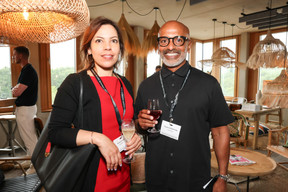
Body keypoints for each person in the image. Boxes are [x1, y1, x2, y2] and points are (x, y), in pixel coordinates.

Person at [135, 20, 234, 192]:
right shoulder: (146, 86)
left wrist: (222, 176)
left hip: (194, 178)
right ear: (159, 46)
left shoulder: (209, 84)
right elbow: (138, 125)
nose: (170, 46)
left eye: (178, 40)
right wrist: (140, 124)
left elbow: (220, 132)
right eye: (164, 40)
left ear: (189, 45)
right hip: (157, 178)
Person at [48, 17, 142, 191]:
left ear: (119, 48)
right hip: (91, 178)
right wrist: (99, 139)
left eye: (113, 41)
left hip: (123, 175)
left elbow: (129, 121)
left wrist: (135, 137)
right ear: (89, 49)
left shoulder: (125, 84)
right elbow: (55, 132)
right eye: (99, 41)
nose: (108, 47)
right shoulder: (75, 83)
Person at [12, 46, 38, 175]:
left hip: (26, 110)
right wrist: (14, 88)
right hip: (27, 109)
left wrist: (14, 89)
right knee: (28, 137)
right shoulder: (26, 70)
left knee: (30, 139)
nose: (13, 57)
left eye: (14, 54)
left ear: (21, 56)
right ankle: (30, 159)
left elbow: (17, 92)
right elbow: (16, 90)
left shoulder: (28, 71)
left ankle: (35, 166)